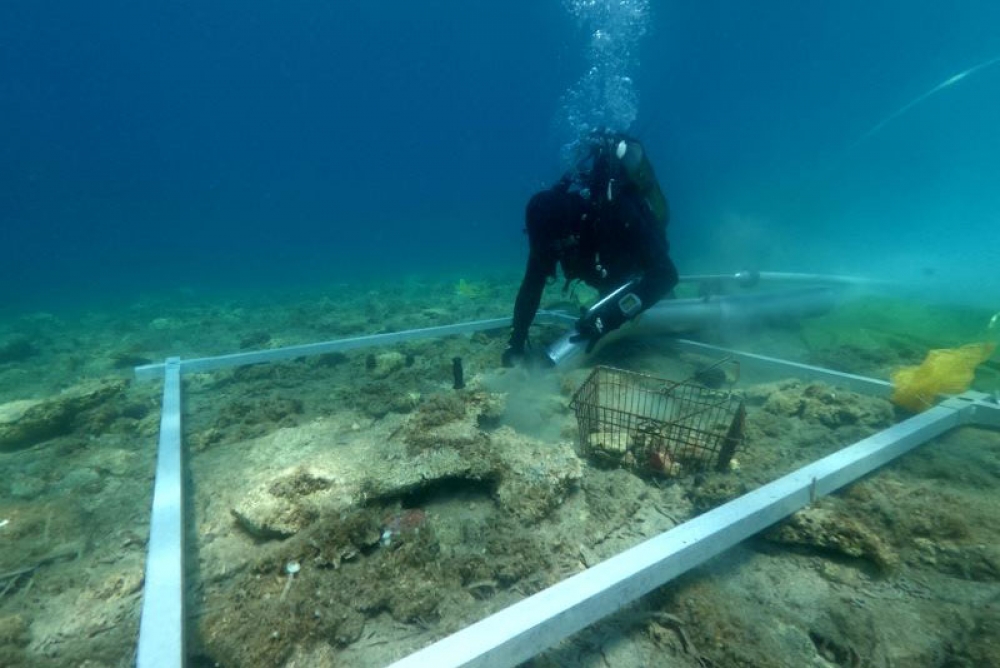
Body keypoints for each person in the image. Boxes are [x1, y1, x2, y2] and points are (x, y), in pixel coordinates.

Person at [502, 130, 679, 367]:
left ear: (573, 230)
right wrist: (516, 342)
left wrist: (606, 320)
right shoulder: (550, 231)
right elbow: (531, 286)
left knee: (659, 320)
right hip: (606, 275)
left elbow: (666, 275)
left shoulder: (618, 212)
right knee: (609, 296)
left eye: (560, 245)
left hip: (636, 271)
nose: (552, 253)